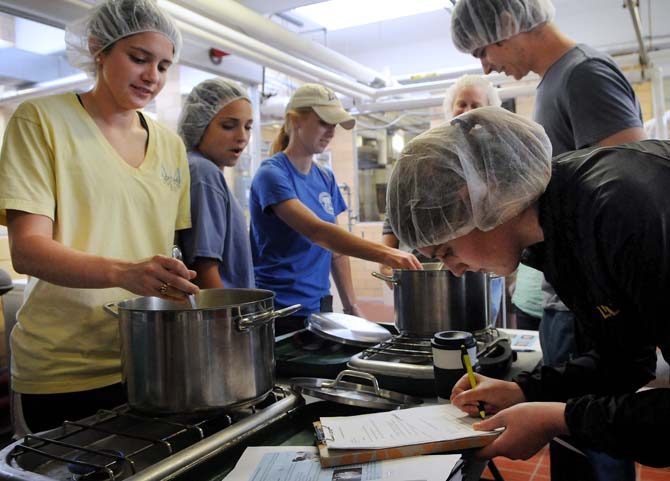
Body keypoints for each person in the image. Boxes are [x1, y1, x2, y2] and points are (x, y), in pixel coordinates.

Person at [386, 106, 669, 469]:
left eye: (446, 250)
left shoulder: (620, 213)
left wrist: (560, 419)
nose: (454, 271)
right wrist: (526, 391)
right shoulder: (555, 234)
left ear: (474, 198)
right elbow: (627, 360)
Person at [450, 2, 647, 477]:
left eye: (484, 49)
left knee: (602, 446)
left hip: (604, 297)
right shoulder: (553, 84)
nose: (487, 66)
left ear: (507, 22)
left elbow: (626, 192)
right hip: (579, 299)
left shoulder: (583, 75)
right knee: (579, 447)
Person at [0, 0, 199, 433]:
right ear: (98, 49)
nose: (152, 76)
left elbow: (161, 245)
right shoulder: (42, 121)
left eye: (164, 65)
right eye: (139, 58)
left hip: (147, 359)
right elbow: (28, 251)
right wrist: (126, 272)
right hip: (64, 368)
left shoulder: (170, 146)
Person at [249, 83, 421, 335]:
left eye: (333, 125)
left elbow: (336, 252)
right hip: (280, 312)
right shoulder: (272, 175)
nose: (330, 132)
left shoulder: (325, 178)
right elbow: (319, 232)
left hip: (318, 308)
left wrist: (352, 307)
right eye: (323, 123)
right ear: (295, 120)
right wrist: (386, 254)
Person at [379, 74, 502, 280]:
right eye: (461, 104)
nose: (468, 111)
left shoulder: (495, 157)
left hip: (480, 264)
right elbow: (395, 211)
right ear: (450, 108)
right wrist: (386, 257)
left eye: (476, 105)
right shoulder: (428, 154)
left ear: (490, 111)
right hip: (424, 266)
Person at [177, 78, 255, 289]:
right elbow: (204, 268)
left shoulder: (196, 167)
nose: (242, 137)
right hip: (223, 315)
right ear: (199, 124)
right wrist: (225, 320)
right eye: (229, 126)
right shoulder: (203, 172)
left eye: (248, 127)